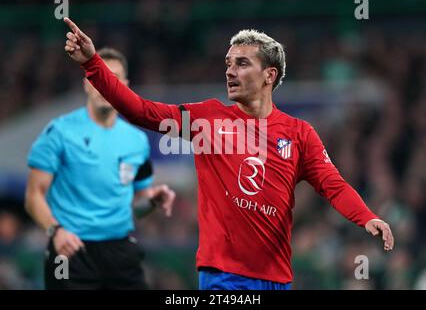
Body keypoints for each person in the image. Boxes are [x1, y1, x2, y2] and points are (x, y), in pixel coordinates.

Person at [62, 18, 394, 290]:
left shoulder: (299, 133)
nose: (230, 71)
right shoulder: (208, 118)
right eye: (228, 63)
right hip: (224, 277)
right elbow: (141, 111)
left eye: (242, 63)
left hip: (277, 279)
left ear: (269, 75)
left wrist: (367, 217)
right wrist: (93, 64)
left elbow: (332, 185)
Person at [25, 47, 176, 290]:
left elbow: (135, 207)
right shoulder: (59, 132)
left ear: (124, 85)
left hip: (120, 252)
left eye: (113, 79)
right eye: (99, 78)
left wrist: (151, 201)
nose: (105, 86)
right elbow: (33, 196)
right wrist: (56, 231)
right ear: (87, 83)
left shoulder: (137, 141)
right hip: (70, 250)